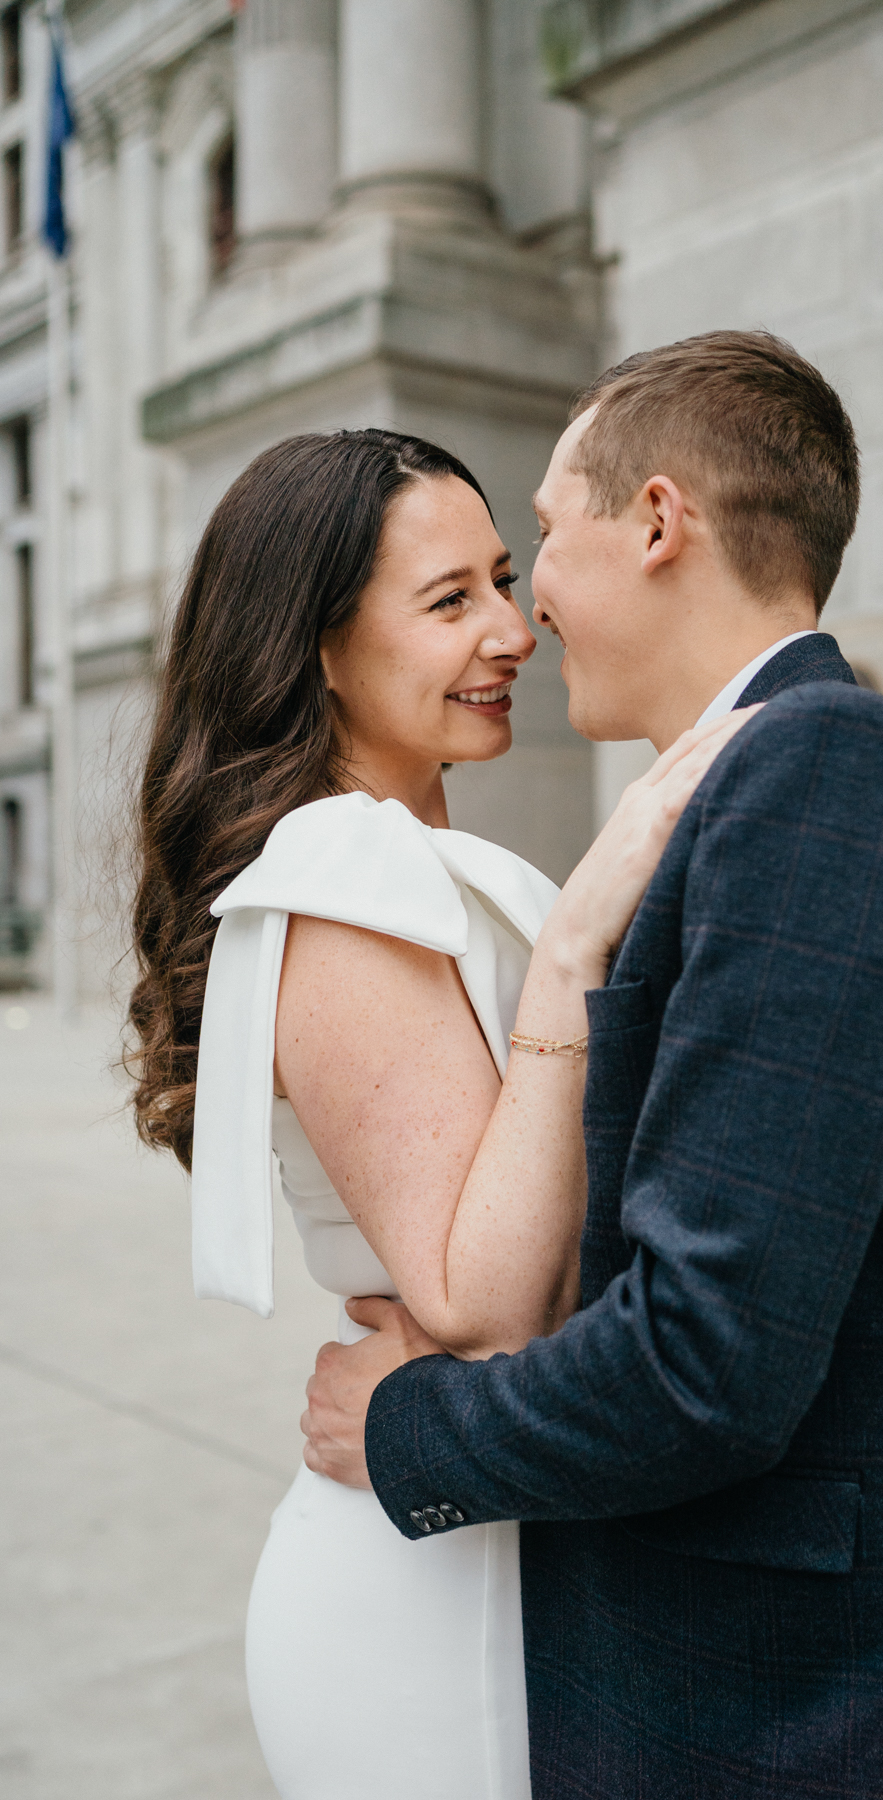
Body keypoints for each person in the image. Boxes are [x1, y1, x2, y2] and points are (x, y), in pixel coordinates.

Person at [303, 333, 883, 1800]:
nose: (530, 604)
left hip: (844, 1719)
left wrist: (405, 1423)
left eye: (544, 539)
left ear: (661, 522)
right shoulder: (740, 788)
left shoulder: (834, 769)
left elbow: (705, 1358)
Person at [125, 427, 755, 1799]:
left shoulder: (406, 859)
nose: (513, 630)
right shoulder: (344, 865)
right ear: (320, 650)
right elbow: (486, 1302)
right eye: (448, 600)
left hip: (483, 1533)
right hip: (433, 1604)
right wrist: (578, 943)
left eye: (506, 579)